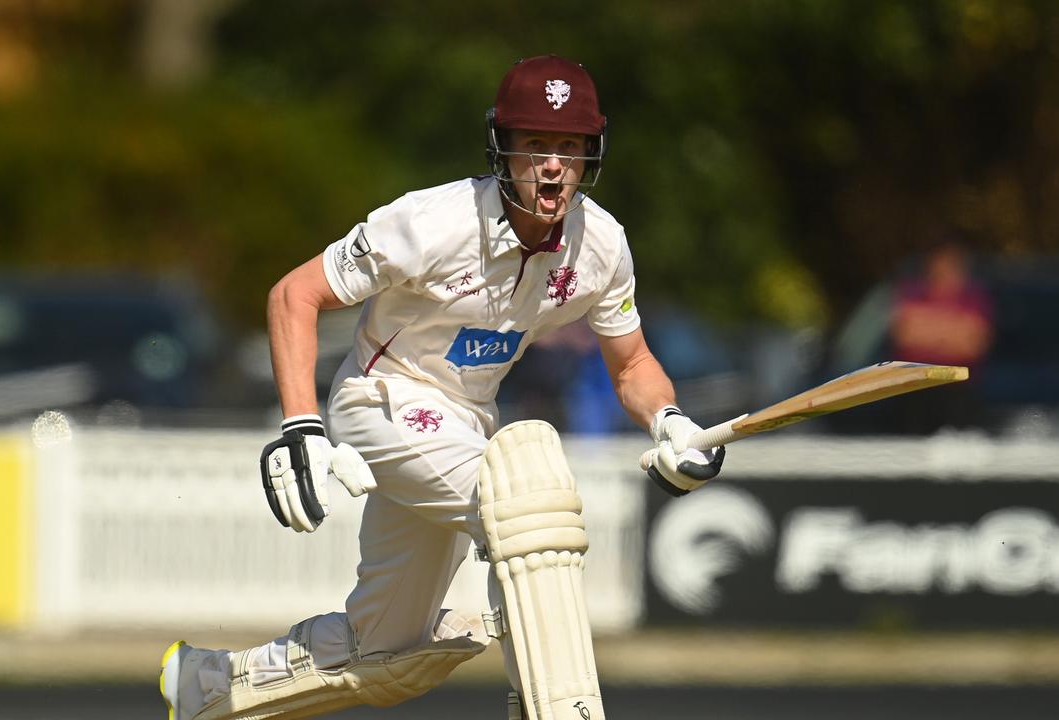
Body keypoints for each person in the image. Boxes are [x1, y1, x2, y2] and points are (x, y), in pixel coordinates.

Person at [159, 55, 726, 720]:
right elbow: (294, 295)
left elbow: (631, 366)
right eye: (535, 145)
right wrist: (301, 428)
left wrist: (668, 421)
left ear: (589, 156)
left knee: (386, 657)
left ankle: (208, 685)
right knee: (526, 506)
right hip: (381, 400)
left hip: (462, 424)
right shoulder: (428, 223)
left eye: (569, 148)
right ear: (503, 149)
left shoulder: (599, 246)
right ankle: (558, 709)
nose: (552, 166)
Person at [889, 240, 994, 433]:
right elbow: (905, 336)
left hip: (958, 392)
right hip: (914, 390)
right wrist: (951, 334)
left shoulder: (974, 299)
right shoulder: (912, 293)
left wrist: (929, 331)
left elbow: (974, 343)